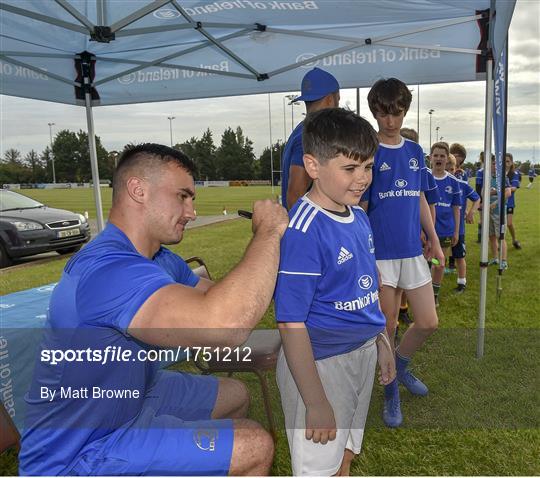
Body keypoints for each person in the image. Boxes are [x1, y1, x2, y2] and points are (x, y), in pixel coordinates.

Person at [20, 144, 289, 476]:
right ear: (138, 190)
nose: (191, 212)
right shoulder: (107, 269)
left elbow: (221, 297)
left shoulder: (159, 259)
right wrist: (268, 233)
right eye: (182, 196)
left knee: (234, 394)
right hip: (81, 451)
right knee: (254, 444)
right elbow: (224, 326)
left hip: (133, 394)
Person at [274, 108, 395, 476]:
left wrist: (382, 342)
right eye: (350, 169)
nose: (363, 180)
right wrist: (315, 402)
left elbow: (366, 285)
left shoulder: (357, 215)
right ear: (312, 165)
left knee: (344, 453)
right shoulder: (303, 229)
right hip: (320, 367)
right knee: (317, 467)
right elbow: (290, 324)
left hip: (361, 355)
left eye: (369, 167)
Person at [361, 78, 444, 428]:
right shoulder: (368, 151)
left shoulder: (413, 151)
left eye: (396, 113)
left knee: (428, 321)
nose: (390, 121)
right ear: (375, 113)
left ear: (405, 111)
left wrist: (434, 238)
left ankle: (401, 365)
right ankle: (391, 388)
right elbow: (362, 207)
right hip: (381, 255)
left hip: (411, 252)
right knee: (389, 324)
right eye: (382, 113)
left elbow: (420, 198)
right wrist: (362, 251)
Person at [281, 67, 340, 209]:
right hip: (310, 227)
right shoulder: (313, 134)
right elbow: (295, 194)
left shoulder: (301, 129)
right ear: (330, 100)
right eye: (338, 99)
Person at [430, 147, 461, 306]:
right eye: (436, 155)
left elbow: (456, 208)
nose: (439, 159)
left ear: (447, 158)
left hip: (445, 230)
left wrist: (456, 231)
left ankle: (434, 294)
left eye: (442, 156)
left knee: (439, 263)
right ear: (431, 157)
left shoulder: (453, 181)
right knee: (424, 261)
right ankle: (418, 296)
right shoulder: (424, 177)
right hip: (426, 229)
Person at [446, 153, 480, 293]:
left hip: (458, 229)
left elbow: (477, 198)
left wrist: (471, 212)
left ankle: (462, 282)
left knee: (460, 256)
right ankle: (433, 280)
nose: (448, 173)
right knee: (435, 258)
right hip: (440, 228)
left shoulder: (462, 185)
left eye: (451, 169)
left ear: (456, 169)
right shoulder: (434, 183)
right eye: (446, 169)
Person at [477, 154, 512, 269]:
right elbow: (483, 193)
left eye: (496, 164)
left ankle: (504, 261)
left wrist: (494, 201)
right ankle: (496, 258)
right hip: (488, 212)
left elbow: (508, 193)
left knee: (500, 237)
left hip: (499, 212)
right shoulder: (486, 177)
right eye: (492, 164)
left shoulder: (502, 177)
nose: (494, 166)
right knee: (491, 236)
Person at [505, 153, 521, 249]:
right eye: (504, 161)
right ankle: (500, 243)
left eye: (508, 161)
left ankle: (514, 240)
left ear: (511, 163)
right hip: (498, 202)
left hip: (509, 202)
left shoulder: (514, 174)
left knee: (509, 223)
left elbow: (514, 188)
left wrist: (502, 190)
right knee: (498, 224)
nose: (506, 163)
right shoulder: (498, 173)